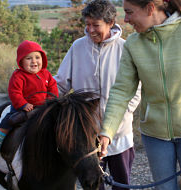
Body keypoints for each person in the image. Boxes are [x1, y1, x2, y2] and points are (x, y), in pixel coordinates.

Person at [99, 0, 181, 189]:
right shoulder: (133, 44)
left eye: (129, 12)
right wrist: (107, 132)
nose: (125, 19)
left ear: (150, 8)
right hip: (154, 135)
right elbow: (121, 91)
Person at [54, 1, 141, 189]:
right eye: (87, 24)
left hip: (120, 134)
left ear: (110, 23)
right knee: (92, 185)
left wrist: (122, 116)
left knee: (122, 184)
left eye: (96, 25)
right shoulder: (78, 47)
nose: (90, 30)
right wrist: (39, 96)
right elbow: (60, 83)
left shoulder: (125, 49)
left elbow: (136, 90)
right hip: (86, 136)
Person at [0, 40, 59, 154]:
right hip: (24, 107)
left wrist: (50, 102)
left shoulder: (46, 74)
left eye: (37, 57)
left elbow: (52, 88)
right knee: (11, 120)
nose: (34, 61)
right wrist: (23, 104)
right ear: (21, 61)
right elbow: (14, 92)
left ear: (43, 59)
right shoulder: (18, 76)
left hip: (43, 107)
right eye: (29, 58)